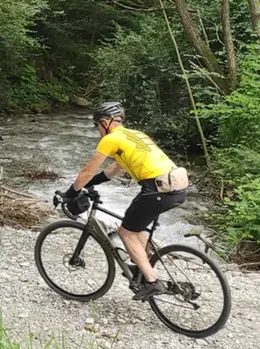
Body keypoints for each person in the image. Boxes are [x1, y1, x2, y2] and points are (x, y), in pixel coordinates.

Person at [60, 102, 189, 301]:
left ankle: (153, 282)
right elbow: (114, 169)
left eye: (97, 126)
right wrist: (91, 184)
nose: (98, 130)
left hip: (157, 189)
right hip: (176, 186)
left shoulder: (110, 139)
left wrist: (70, 193)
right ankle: (142, 267)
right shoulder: (135, 135)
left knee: (125, 232)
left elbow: (87, 170)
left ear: (104, 122)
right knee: (137, 228)